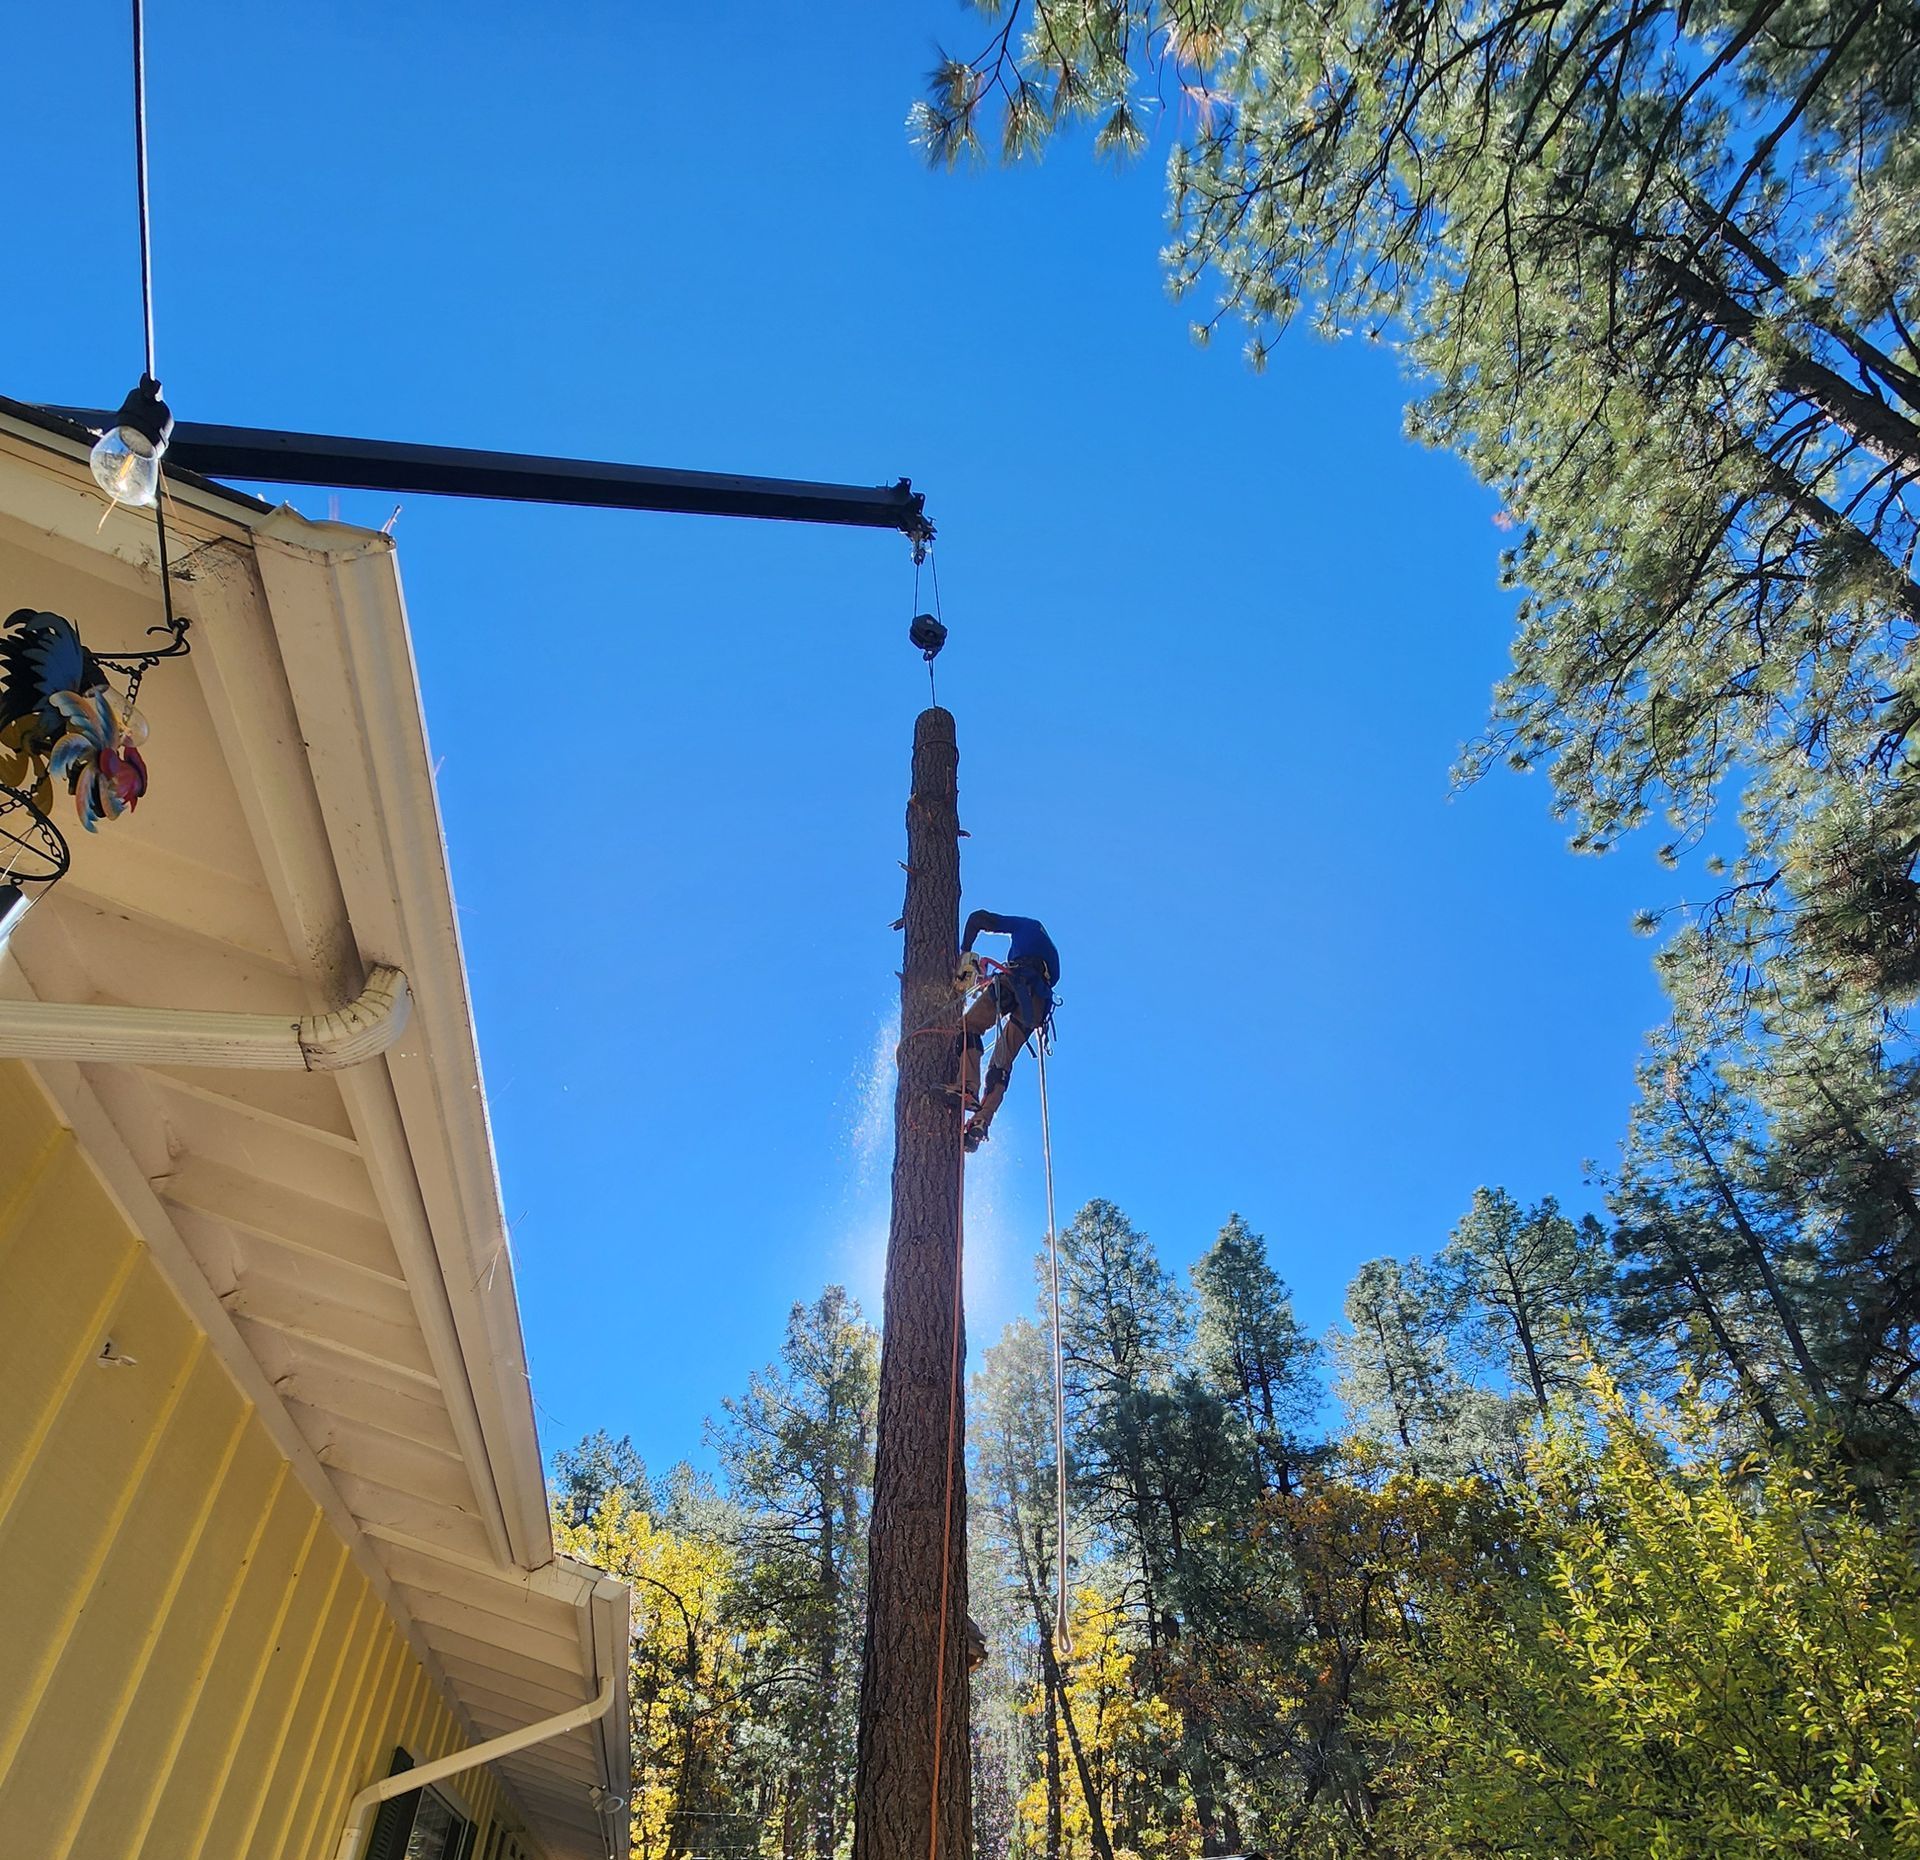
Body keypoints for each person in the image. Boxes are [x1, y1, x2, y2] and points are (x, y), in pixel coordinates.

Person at [957, 909, 1059, 1152]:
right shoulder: (1047, 951)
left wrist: (964, 953)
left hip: (1016, 981)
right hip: (1037, 1005)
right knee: (1001, 1063)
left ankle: (967, 1088)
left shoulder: (1026, 925)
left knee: (969, 1025)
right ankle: (981, 1120)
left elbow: (978, 919)